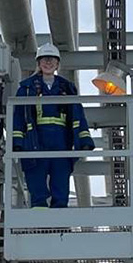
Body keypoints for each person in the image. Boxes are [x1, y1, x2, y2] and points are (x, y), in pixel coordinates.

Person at [12, 43, 95, 208]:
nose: (48, 63)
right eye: (44, 59)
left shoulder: (67, 87)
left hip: (61, 142)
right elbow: (19, 116)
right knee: (36, 185)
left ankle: (60, 224)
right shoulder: (26, 88)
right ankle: (39, 224)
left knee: (61, 184)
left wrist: (84, 139)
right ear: (38, 63)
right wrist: (18, 143)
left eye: (52, 60)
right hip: (35, 143)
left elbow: (78, 114)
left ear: (58, 64)